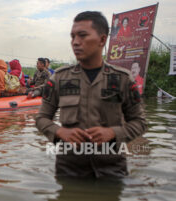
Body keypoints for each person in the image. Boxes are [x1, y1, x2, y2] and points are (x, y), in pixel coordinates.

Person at [36, 11, 147, 177]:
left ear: (102, 40)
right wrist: (60, 132)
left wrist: (113, 133)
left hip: (112, 169)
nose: (75, 42)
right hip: (69, 170)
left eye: (82, 36)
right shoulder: (59, 78)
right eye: (72, 37)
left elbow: (139, 122)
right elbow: (41, 118)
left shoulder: (123, 79)